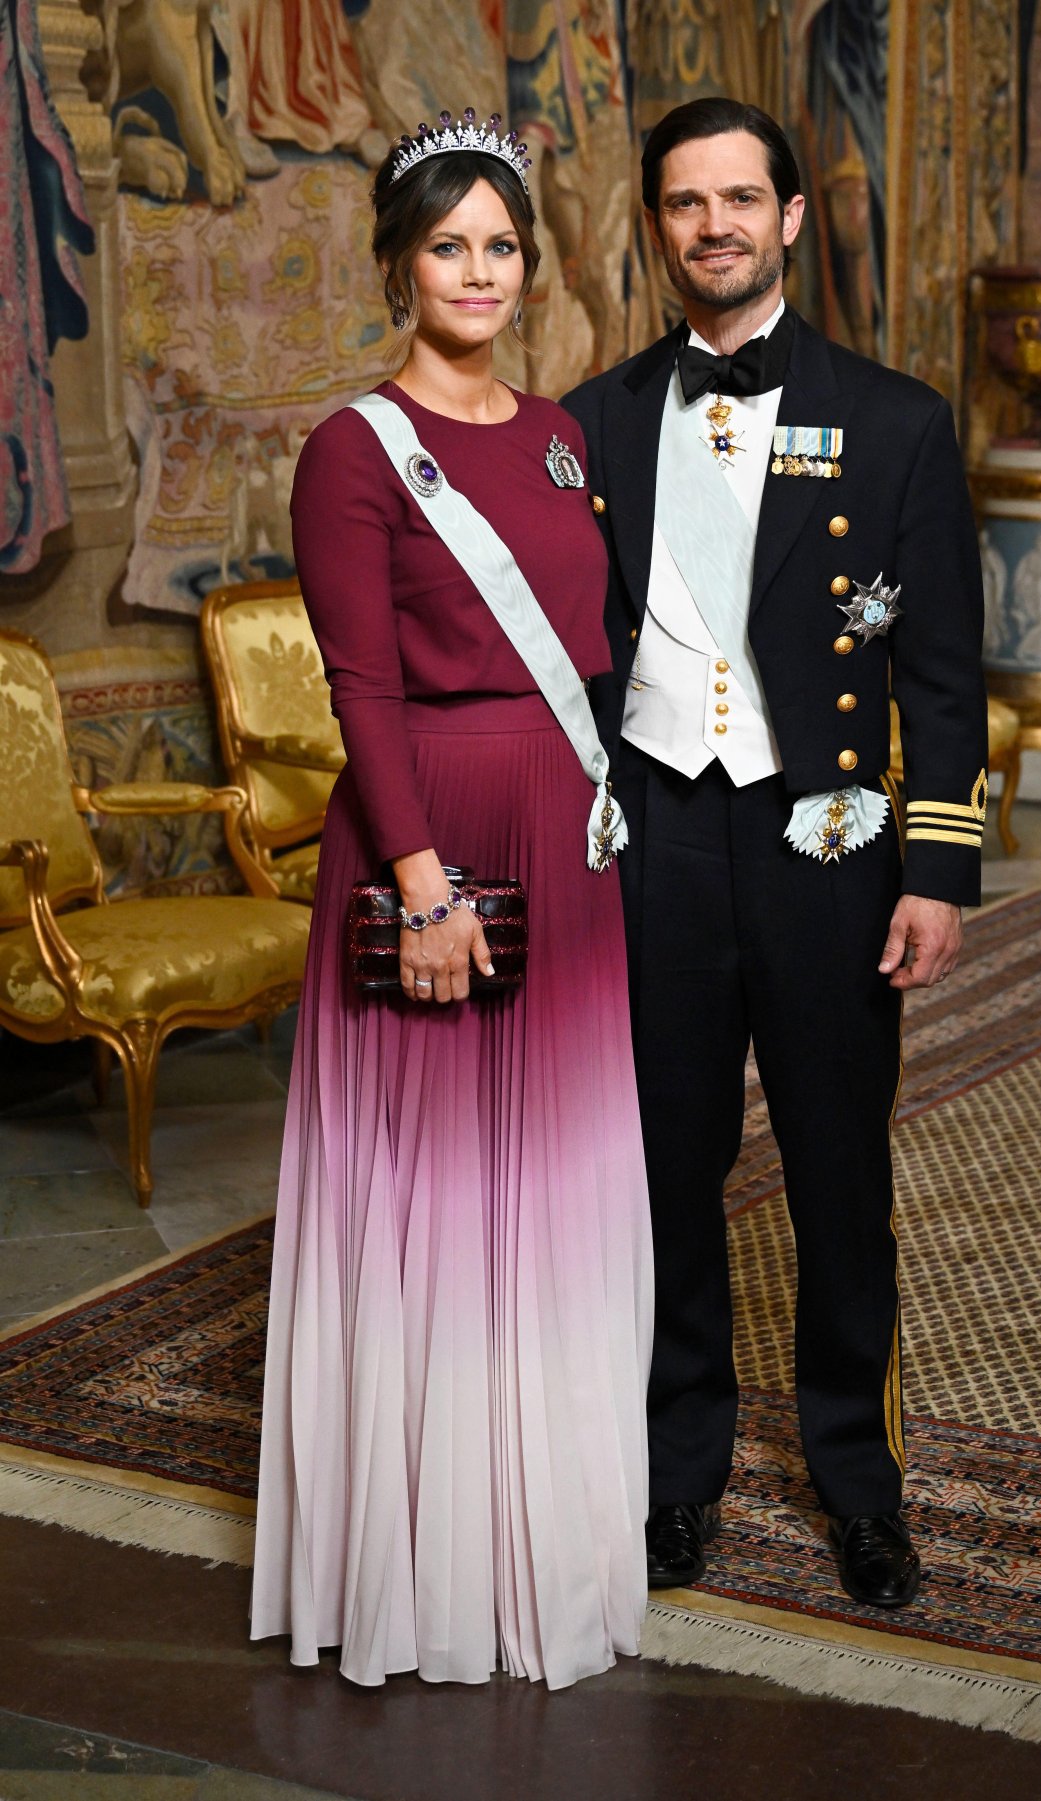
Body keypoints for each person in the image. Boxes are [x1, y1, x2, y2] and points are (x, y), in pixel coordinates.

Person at [562, 97, 988, 1609]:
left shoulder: (899, 419)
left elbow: (941, 669)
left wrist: (935, 866)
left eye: (743, 198)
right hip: (658, 839)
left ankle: (855, 1481)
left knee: (837, 1170)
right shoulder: (593, 420)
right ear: (656, 226)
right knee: (665, 1171)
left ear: (792, 217)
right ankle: (681, 1475)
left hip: (829, 841)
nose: (715, 226)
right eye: (687, 203)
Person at [250, 110, 653, 1690]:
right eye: (448, 246)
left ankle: (544, 1537)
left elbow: (601, 646)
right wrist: (421, 886)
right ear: (398, 265)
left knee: (550, 1189)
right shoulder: (354, 448)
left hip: (568, 839)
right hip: (439, 851)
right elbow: (361, 682)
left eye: (501, 245)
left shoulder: (556, 430)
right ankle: (429, 1565)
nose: (477, 271)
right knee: (447, 1197)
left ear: (525, 267)